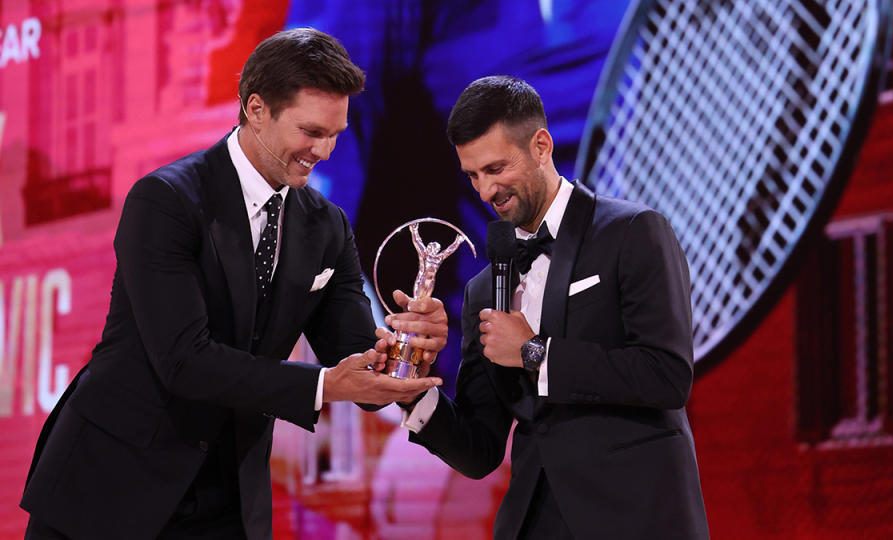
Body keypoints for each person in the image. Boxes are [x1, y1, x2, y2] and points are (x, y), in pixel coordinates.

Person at [20, 28, 446, 540]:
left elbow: (359, 370)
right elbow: (184, 360)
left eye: (336, 133)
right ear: (256, 108)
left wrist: (407, 349)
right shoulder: (165, 201)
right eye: (311, 131)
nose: (325, 151)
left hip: (230, 501)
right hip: (109, 489)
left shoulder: (327, 226)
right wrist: (322, 384)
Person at [399, 76, 709, 539]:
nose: (486, 191)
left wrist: (534, 353)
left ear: (541, 146)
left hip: (636, 514)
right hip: (534, 521)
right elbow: (481, 449)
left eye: (497, 168)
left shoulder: (633, 232)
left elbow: (667, 375)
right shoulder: (484, 290)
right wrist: (414, 391)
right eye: (473, 175)